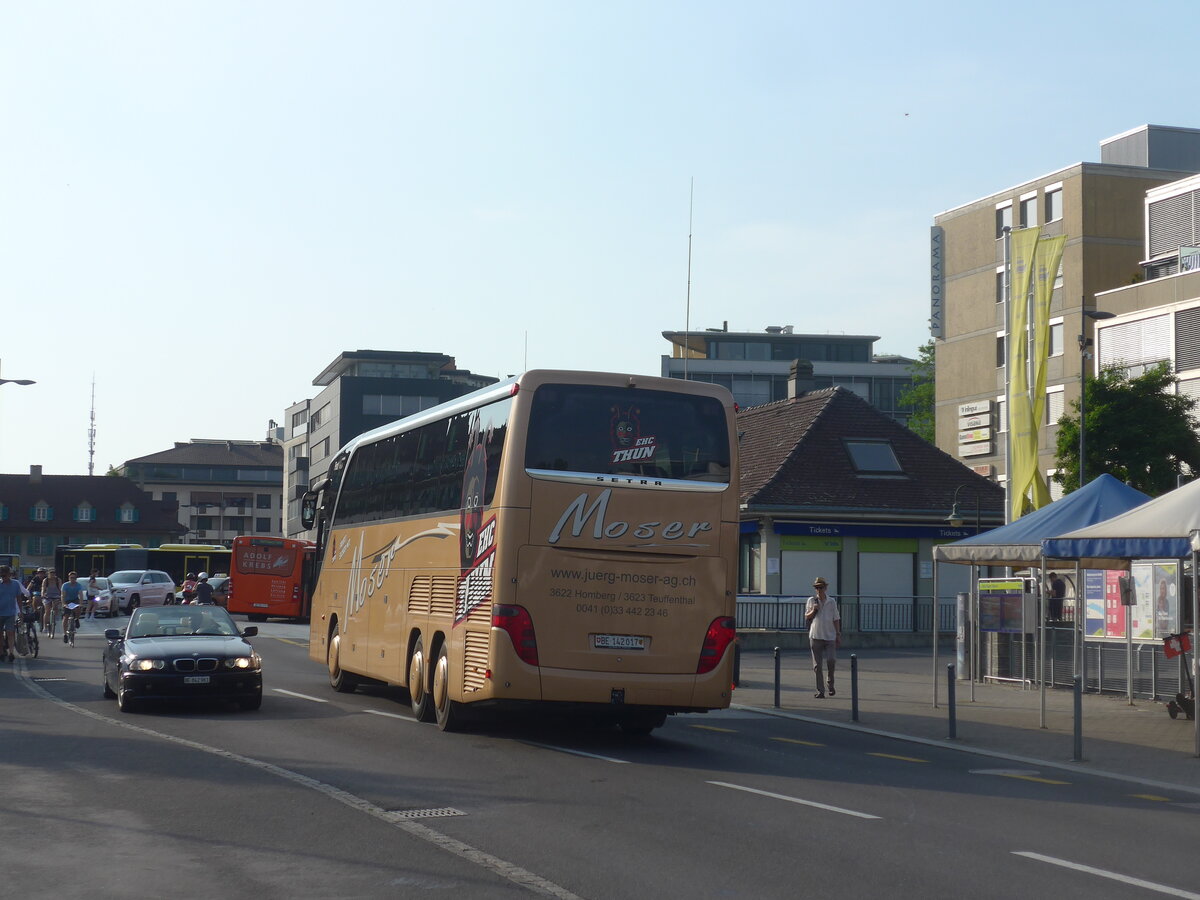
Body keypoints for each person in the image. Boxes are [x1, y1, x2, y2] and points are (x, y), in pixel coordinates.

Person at [804, 576, 841, 699]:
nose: (819, 590)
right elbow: (807, 617)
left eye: (821, 587)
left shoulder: (832, 601)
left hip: (830, 636)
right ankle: (820, 691)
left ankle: (830, 683)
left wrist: (838, 634)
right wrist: (813, 610)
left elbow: (836, 618)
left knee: (831, 660)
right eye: (817, 588)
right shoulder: (811, 600)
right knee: (817, 666)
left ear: (825, 588)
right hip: (815, 636)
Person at [0, 565, 29, 662]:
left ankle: (11, 652)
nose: (3, 577)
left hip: (10, 612)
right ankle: (1, 652)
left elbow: (19, 598)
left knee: (10, 632)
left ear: (9, 574)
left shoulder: (15, 584)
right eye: (1, 575)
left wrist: (20, 611)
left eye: (5, 575)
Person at [61, 572, 84, 642]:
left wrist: (81, 603)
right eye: (71, 578)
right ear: (69, 578)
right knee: (66, 617)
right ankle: (65, 634)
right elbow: (63, 595)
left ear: (76, 579)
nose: (72, 579)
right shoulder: (65, 585)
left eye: (74, 578)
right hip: (67, 601)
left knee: (78, 608)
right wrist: (64, 604)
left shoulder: (78, 585)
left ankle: (76, 619)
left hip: (75, 600)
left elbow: (81, 595)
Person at [41, 569, 62, 634]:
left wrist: (61, 596)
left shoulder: (58, 580)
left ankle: (54, 618)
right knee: (47, 611)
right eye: (51, 573)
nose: (52, 575)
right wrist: (42, 595)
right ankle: (45, 627)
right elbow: (43, 589)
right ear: (48, 574)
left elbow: (61, 589)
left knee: (55, 607)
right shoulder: (45, 580)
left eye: (53, 573)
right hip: (47, 596)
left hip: (56, 596)